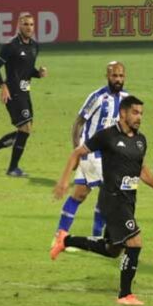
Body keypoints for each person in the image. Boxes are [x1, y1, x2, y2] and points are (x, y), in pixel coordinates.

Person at [51, 96, 153, 306]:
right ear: (123, 113)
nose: (139, 117)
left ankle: (66, 240)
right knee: (135, 242)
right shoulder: (107, 136)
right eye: (135, 112)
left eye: (141, 113)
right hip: (111, 199)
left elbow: (141, 169)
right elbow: (77, 152)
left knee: (112, 249)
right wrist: (64, 180)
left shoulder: (141, 140)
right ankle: (125, 295)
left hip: (128, 201)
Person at [52, 61, 128, 240]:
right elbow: (78, 123)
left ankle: (60, 236)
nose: (118, 79)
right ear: (107, 76)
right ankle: (98, 238)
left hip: (109, 156)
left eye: (121, 76)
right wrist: (76, 149)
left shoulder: (126, 99)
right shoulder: (97, 97)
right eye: (114, 76)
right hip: (93, 154)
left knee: (79, 194)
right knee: (111, 194)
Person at [0, 12, 48, 177]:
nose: (29, 28)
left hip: (25, 92)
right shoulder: (11, 45)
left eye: (31, 24)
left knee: (24, 130)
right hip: (13, 92)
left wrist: (38, 73)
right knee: (25, 128)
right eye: (26, 24)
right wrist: (2, 86)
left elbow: (27, 70)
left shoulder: (34, 46)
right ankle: (12, 168)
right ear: (19, 25)